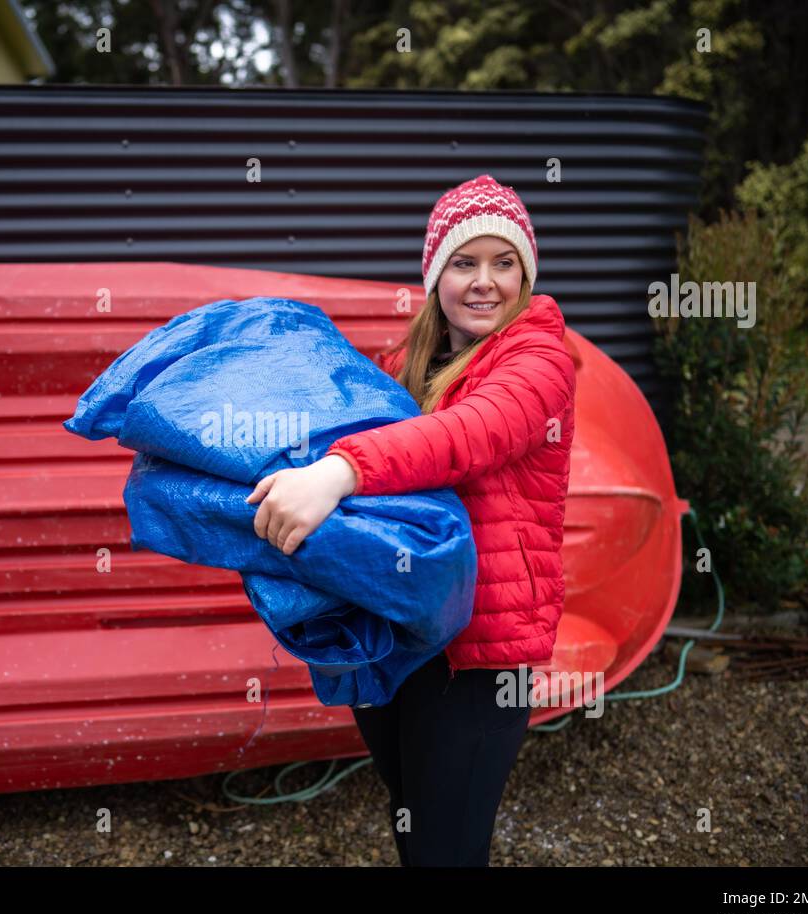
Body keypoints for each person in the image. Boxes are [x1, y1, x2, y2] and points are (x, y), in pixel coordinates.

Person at [245, 174, 576, 866]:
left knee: (445, 851)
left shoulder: (540, 359)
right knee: (416, 836)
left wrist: (339, 471)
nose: (484, 282)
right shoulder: (402, 366)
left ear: (526, 272)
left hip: (481, 655)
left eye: (503, 262)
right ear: (435, 274)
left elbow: (466, 435)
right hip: (400, 638)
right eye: (464, 262)